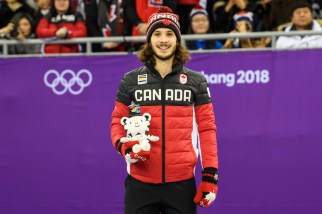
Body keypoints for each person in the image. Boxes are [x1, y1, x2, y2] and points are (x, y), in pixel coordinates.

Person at [110, 6, 219, 214]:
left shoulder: (196, 81)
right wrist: (125, 148)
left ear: (177, 40)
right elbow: (117, 122)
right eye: (157, 34)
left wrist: (210, 175)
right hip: (139, 183)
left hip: (182, 185)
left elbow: (207, 129)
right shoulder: (130, 80)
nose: (163, 40)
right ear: (149, 40)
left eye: (170, 34)